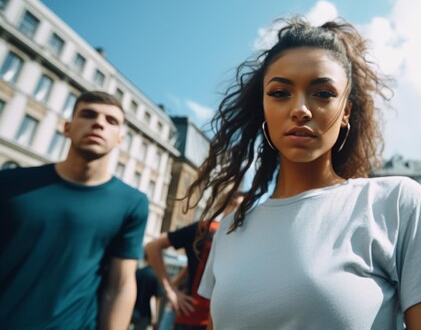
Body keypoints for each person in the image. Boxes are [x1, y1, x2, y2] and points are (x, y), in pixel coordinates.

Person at [185, 17, 421, 329]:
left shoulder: (394, 203)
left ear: (346, 111)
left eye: (322, 93)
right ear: (263, 105)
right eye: (279, 92)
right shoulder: (229, 230)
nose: (300, 109)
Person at [0, 91, 149, 329]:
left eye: (111, 121)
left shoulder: (132, 203)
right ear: (67, 127)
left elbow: (120, 285)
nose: (99, 123)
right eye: (88, 114)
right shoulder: (9, 183)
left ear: (120, 139)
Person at [145, 192, 243, 330]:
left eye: (243, 207)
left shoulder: (239, 239)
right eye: (234, 205)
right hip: (192, 319)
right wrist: (170, 291)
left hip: (220, 321)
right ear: (224, 205)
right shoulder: (205, 229)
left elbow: (198, 264)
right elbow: (152, 247)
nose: (238, 211)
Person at [131, 255, 164, 330]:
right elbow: (156, 299)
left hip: (132, 310)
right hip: (144, 314)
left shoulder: (137, 272)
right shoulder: (155, 276)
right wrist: (155, 317)